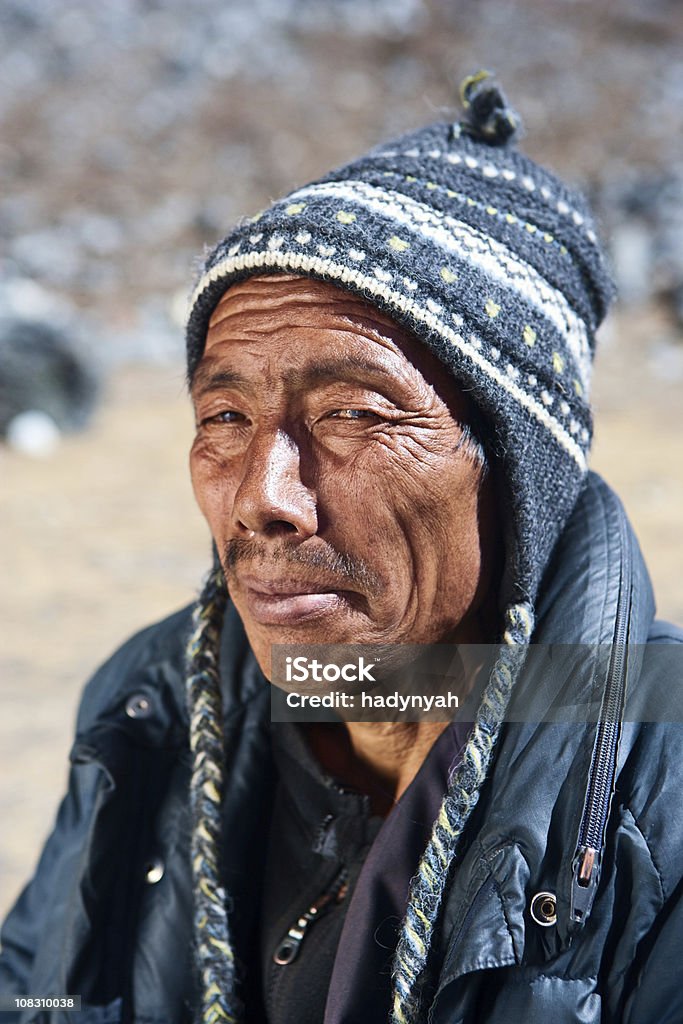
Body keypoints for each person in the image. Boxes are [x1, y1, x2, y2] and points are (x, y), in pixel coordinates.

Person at [1, 72, 682, 1024]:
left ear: (518, 479)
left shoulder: (660, 781)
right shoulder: (157, 697)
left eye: (355, 413)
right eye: (226, 415)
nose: (260, 498)